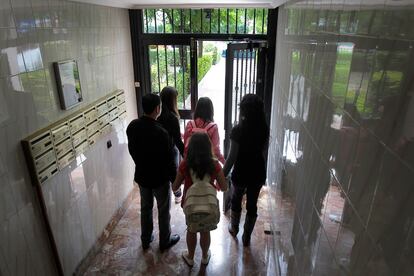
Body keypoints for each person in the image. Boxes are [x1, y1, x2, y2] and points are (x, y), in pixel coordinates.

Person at [126, 93, 180, 251]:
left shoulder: (133, 126)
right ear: (157, 109)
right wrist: (175, 181)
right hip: (159, 179)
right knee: (163, 210)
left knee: (146, 207)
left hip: (142, 176)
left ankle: (146, 238)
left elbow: (132, 150)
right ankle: (165, 240)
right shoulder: (161, 132)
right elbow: (169, 161)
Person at [172, 132, 227, 267]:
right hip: (208, 205)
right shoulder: (215, 165)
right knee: (205, 230)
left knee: (191, 229)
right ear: (209, 147)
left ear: (191, 148)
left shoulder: (185, 164)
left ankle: (190, 257)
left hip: (190, 205)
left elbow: (175, 187)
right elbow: (224, 187)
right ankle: (204, 256)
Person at [223, 94, 269, 246]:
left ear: (244, 111)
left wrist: (221, 175)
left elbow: (231, 158)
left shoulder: (238, 130)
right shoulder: (264, 130)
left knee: (236, 199)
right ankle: (247, 237)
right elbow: (263, 152)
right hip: (257, 172)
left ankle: (234, 228)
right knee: (252, 204)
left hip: (241, 173)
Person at [158, 86, 185, 203]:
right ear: (172, 100)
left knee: (167, 174)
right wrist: (186, 155)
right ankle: (178, 196)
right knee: (174, 175)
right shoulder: (173, 118)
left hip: (161, 151)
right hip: (171, 151)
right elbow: (178, 141)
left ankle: (174, 194)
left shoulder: (158, 117)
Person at [184, 97, 225, 164]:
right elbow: (216, 150)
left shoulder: (190, 125)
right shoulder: (213, 127)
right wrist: (224, 162)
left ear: (197, 109)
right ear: (210, 110)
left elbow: (186, 147)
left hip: (191, 163)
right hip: (207, 165)